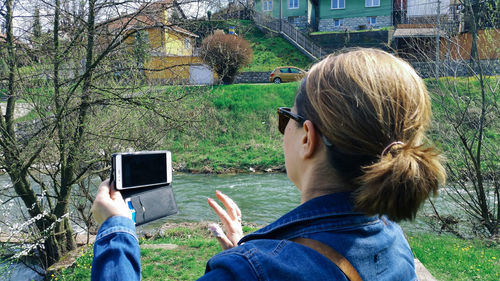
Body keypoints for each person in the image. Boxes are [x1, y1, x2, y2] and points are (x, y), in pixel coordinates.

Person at [90, 48, 446, 280]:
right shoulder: (391, 241)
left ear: (308, 137)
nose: (282, 130)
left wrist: (116, 230)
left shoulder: (252, 273)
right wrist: (251, 246)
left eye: (284, 118)